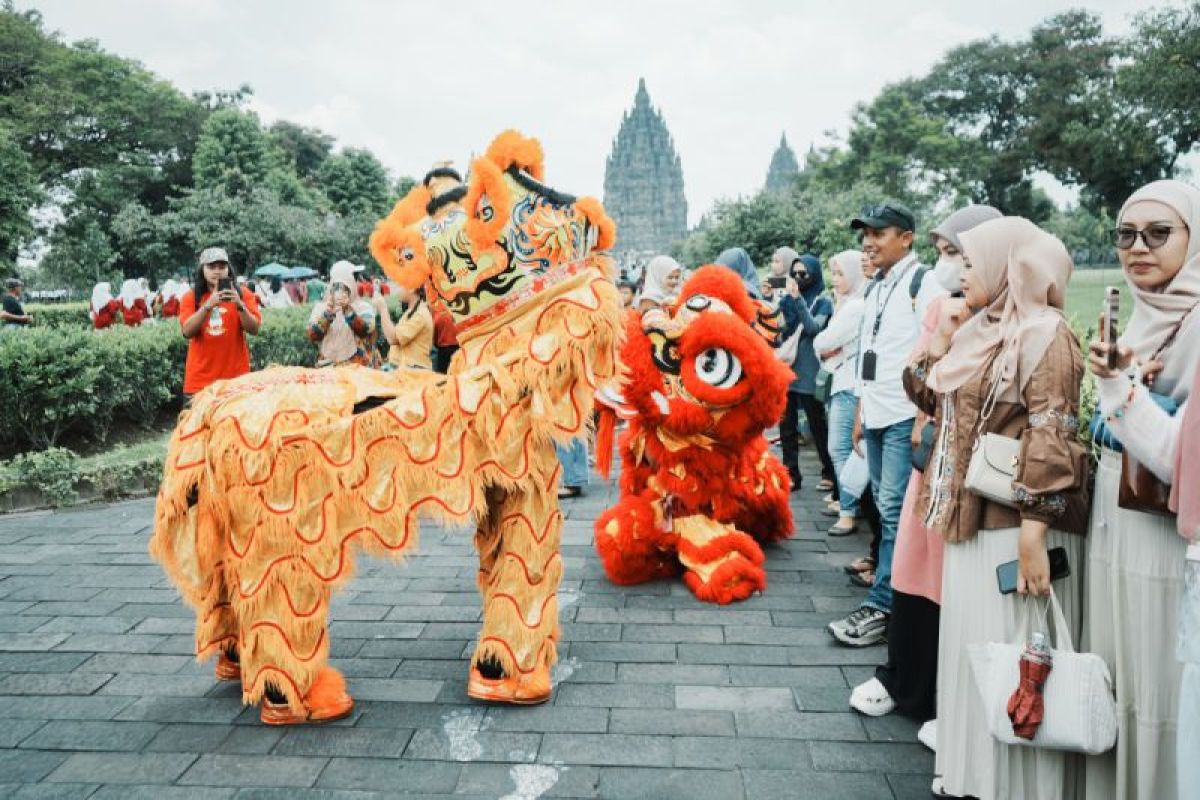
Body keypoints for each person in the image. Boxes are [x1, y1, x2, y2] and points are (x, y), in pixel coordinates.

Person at [907, 216, 1087, 799]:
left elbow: (1052, 432)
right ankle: (972, 776)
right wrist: (940, 340)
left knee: (1009, 652)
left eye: (971, 259)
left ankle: (1011, 786)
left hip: (1011, 526)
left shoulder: (1042, 333)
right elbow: (931, 395)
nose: (961, 269)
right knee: (970, 650)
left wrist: (1034, 533)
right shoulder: (981, 329)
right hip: (968, 519)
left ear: (1009, 263)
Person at [848, 204, 1002, 744]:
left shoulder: (1012, 321)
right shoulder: (941, 310)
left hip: (975, 476)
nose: (954, 267)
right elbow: (918, 380)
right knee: (915, 570)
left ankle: (947, 698)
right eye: (946, 253)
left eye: (960, 253)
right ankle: (903, 680)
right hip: (930, 459)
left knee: (953, 585)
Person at [1083, 179, 1199, 800]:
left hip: (1166, 532)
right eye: (1126, 234)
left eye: (1159, 234)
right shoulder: (1143, 310)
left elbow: (1183, 454)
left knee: (1156, 676)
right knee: (1120, 670)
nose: (1139, 248)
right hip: (1117, 512)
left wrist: (1123, 389)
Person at [828, 203, 944, 647]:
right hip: (875, 413)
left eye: (878, 234)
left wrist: (922, 417)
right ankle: (890, 596)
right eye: (865, 236)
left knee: (895, 512)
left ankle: (883, 606)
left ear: (907, 237)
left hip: (902, 417)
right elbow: (869, 357)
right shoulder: (876, 288)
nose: (868, 243)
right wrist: (860, 411)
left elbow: (933, 354)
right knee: (884, 507)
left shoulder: (923, 283)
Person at [813, 250, 867, 534]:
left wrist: (827, 346)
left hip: (848, 385)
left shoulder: (856, 307)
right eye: (833, 273)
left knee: (840, 448)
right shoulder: (846, 303)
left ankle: (848, 510)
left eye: (840, 273)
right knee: (842, 447)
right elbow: (822, 343)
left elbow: (824, 340)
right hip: (841, 382)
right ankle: (847, 502)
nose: (835, 279)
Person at [776, 250, 835, 492]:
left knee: (817, 427)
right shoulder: (787, 300)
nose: (799, 276)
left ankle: (829, 473)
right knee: (786, 428)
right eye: (795, 273)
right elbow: (778, 329)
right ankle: (791, 474)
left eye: (804, 273)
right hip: (787, 371)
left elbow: (813, 328)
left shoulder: (823, 301)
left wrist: (798, 299)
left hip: (809, 374)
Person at [179, 247, 262, 396]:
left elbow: (254, 329)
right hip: (200, 383)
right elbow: (186, 332)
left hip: (236, 382)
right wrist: (208, 306)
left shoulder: (244, 294)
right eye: (211, 267)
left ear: (228, 269)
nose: (217, 271)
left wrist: (239, 305)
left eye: (222, 266)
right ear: (202, 270)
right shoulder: (191, 297)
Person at [308, 260, 379, 368]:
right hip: (328, 369)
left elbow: (367, 330)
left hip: (359, 370)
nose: (356, 282)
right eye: (354, 278)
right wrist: (327, 316)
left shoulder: (363, 307)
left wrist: (348, 311)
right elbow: (312, 336)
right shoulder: (321, 308)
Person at [373, 282, 433, 370]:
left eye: (401, 285)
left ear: (412, 289)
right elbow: (395, 333)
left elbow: (393, 338)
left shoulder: (420, 314)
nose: (398, 290)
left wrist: (383, 309)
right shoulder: (412, 311)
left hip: (413, 372)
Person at [636, 255, 684, 320]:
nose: (674, 281)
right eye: (670, 277)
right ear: (658, 277)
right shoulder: (649, 298)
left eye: (677, 277)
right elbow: (653, 324)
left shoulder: (677, 293)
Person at [432, 301, 459, 373]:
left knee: (443, 373)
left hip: (444, 349)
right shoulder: (448, 314)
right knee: (456, 369)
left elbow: (433, 337)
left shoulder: (435, 318)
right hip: (456, 345)